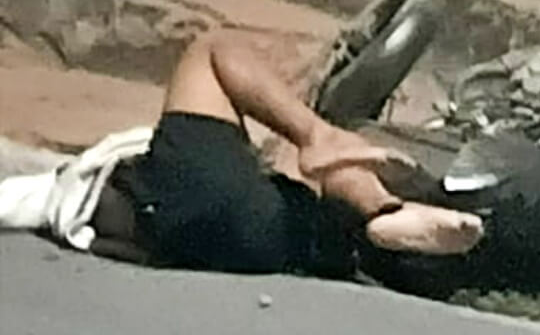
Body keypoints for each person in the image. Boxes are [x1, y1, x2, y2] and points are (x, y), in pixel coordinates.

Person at [87, 28, 485, 276]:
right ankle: (381, 208)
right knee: (340, 169)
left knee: (211, 49)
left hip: (169, 217)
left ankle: (324, 142)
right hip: (273, 240)